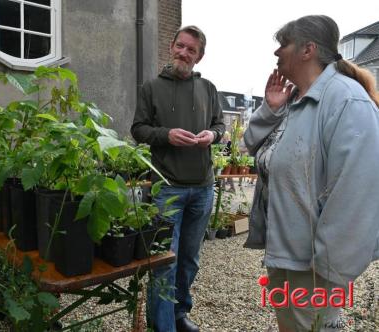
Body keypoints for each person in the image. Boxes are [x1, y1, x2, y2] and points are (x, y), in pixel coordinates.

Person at [244, 15, 379, 331]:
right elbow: (252, 145)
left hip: (314, 266)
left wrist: (329, 269)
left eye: (283, 45)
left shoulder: (346, 100)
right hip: (284, 253)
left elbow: (358, 193)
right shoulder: (294, 100)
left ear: (307, 49)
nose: (277, 53)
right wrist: (271, 108)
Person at [131, 26, 225, 332]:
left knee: (189, 259)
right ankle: (163, 325)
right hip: (167, 188)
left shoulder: (209, 88)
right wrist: (167, 135)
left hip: (202, 187)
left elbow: (220, 124)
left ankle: (180, 313)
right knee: (163, 261)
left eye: (191, 50)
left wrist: (213, 134)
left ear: (200, 56)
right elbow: (139, 129)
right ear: (171, 46)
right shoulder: (151, 87)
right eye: (180, 46)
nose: (183, 53)